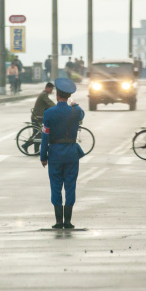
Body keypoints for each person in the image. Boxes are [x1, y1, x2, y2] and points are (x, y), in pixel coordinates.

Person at [40, 78, 85, 229]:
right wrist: (73, 104)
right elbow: (82, 114)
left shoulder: (49, 113)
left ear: (57, 95)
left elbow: (45, 136)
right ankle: (68, 221)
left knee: (56, 186)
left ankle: (59, 221)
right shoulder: (76, 111)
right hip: (72, 154)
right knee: (70, 186)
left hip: (55, 154)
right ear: (68, 96)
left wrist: (43, 156)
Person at [22, 82, 56, 153]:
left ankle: (35, 150)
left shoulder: (44, 94)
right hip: (37, 117)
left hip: (38, 116)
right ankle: (27, 145)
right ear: (47, 88)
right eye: (51, 89)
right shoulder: (44, 95)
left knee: (37, 134)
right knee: (38, 134)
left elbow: (48, 105)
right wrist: (57, 107)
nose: (52, 91)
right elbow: (49, 103)